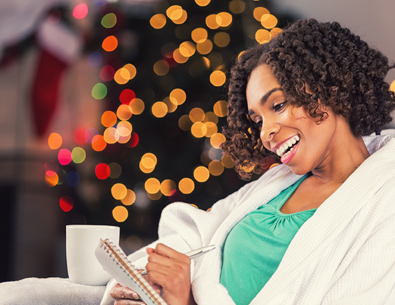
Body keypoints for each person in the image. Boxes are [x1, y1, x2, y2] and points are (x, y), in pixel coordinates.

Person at [103, 18, 395, 305]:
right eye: (257, 120)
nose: (266, 133)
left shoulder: (385, 200)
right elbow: (196, 232)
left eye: (278, 105)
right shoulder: (277, 183)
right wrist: (145, 283)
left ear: (329, 88)